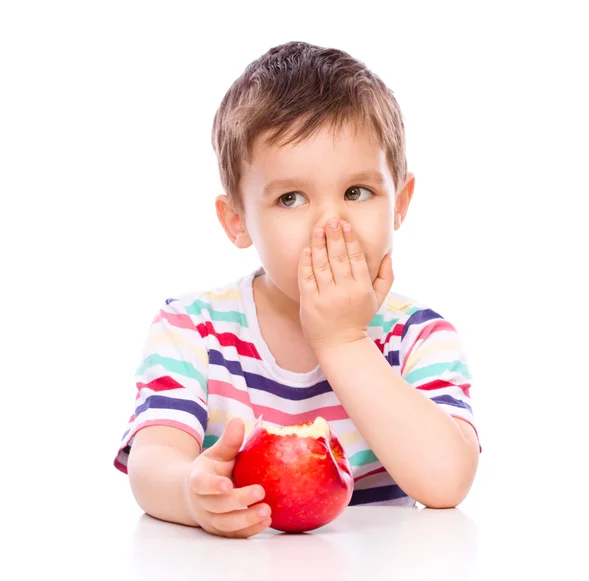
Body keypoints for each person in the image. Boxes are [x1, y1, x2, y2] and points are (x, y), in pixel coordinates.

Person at [114, 40, 481, 538]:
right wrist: (190, 493)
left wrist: (343, 340)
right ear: (238, 221)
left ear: (400, 202)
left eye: (357, 192)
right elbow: (153, 458)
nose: (331, 222)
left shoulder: (418, 337)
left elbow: (447, 482)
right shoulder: (192, 330)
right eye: (291, 198)